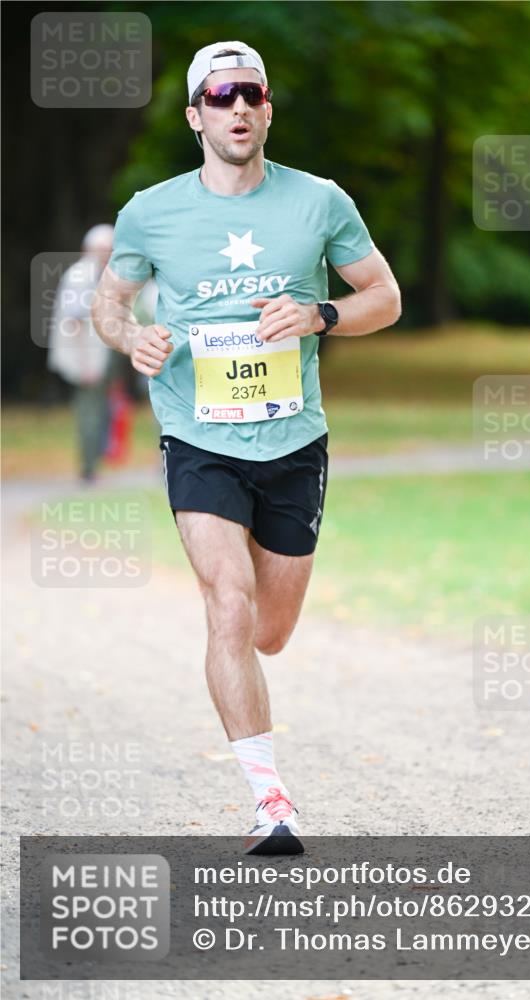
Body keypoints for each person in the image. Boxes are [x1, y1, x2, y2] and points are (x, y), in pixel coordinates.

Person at [92, 41, 401, 854]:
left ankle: (266, 752)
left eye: (250, 94)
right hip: (197, 435)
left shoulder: (320, 203)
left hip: (294, 440)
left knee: (270, 629)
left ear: (265, 109)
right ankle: (272, 805)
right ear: (194, 115)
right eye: (219, 95)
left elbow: (385, 297)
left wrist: (321, 315)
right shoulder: (150, 211)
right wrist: (133, 339)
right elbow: (109, 302)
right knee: (226, 603)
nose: (237, 108)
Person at [48, 224, 115, 481]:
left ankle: (93, 465)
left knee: (97, 410)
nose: (107, 253)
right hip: (84, 358)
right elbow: (75, 323)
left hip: (94, 356)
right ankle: (88, 470)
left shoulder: (96, 273)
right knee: (89, 412)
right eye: (102, 249)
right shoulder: (81, 276)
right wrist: (86, 365)